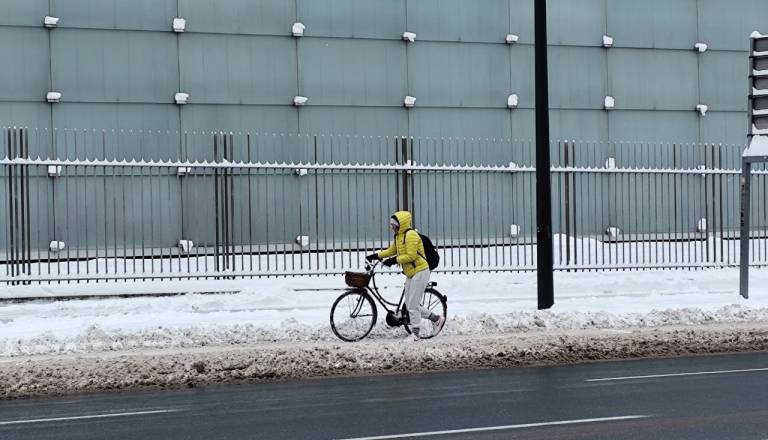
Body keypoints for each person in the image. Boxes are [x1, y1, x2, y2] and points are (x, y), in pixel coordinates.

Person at [366, 211, 445, 340]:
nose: (391, 227)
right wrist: (376, 256)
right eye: (391, 224)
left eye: (393, 224)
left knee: (413, 306)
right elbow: (391, 251)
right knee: (410, 305)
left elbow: (411, 256)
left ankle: (415, 334)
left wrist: (393, 260)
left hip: (420, 271)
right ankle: (436, 319)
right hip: (411, 273)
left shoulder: (411, 235)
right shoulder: (399, 236)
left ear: (400, 224)